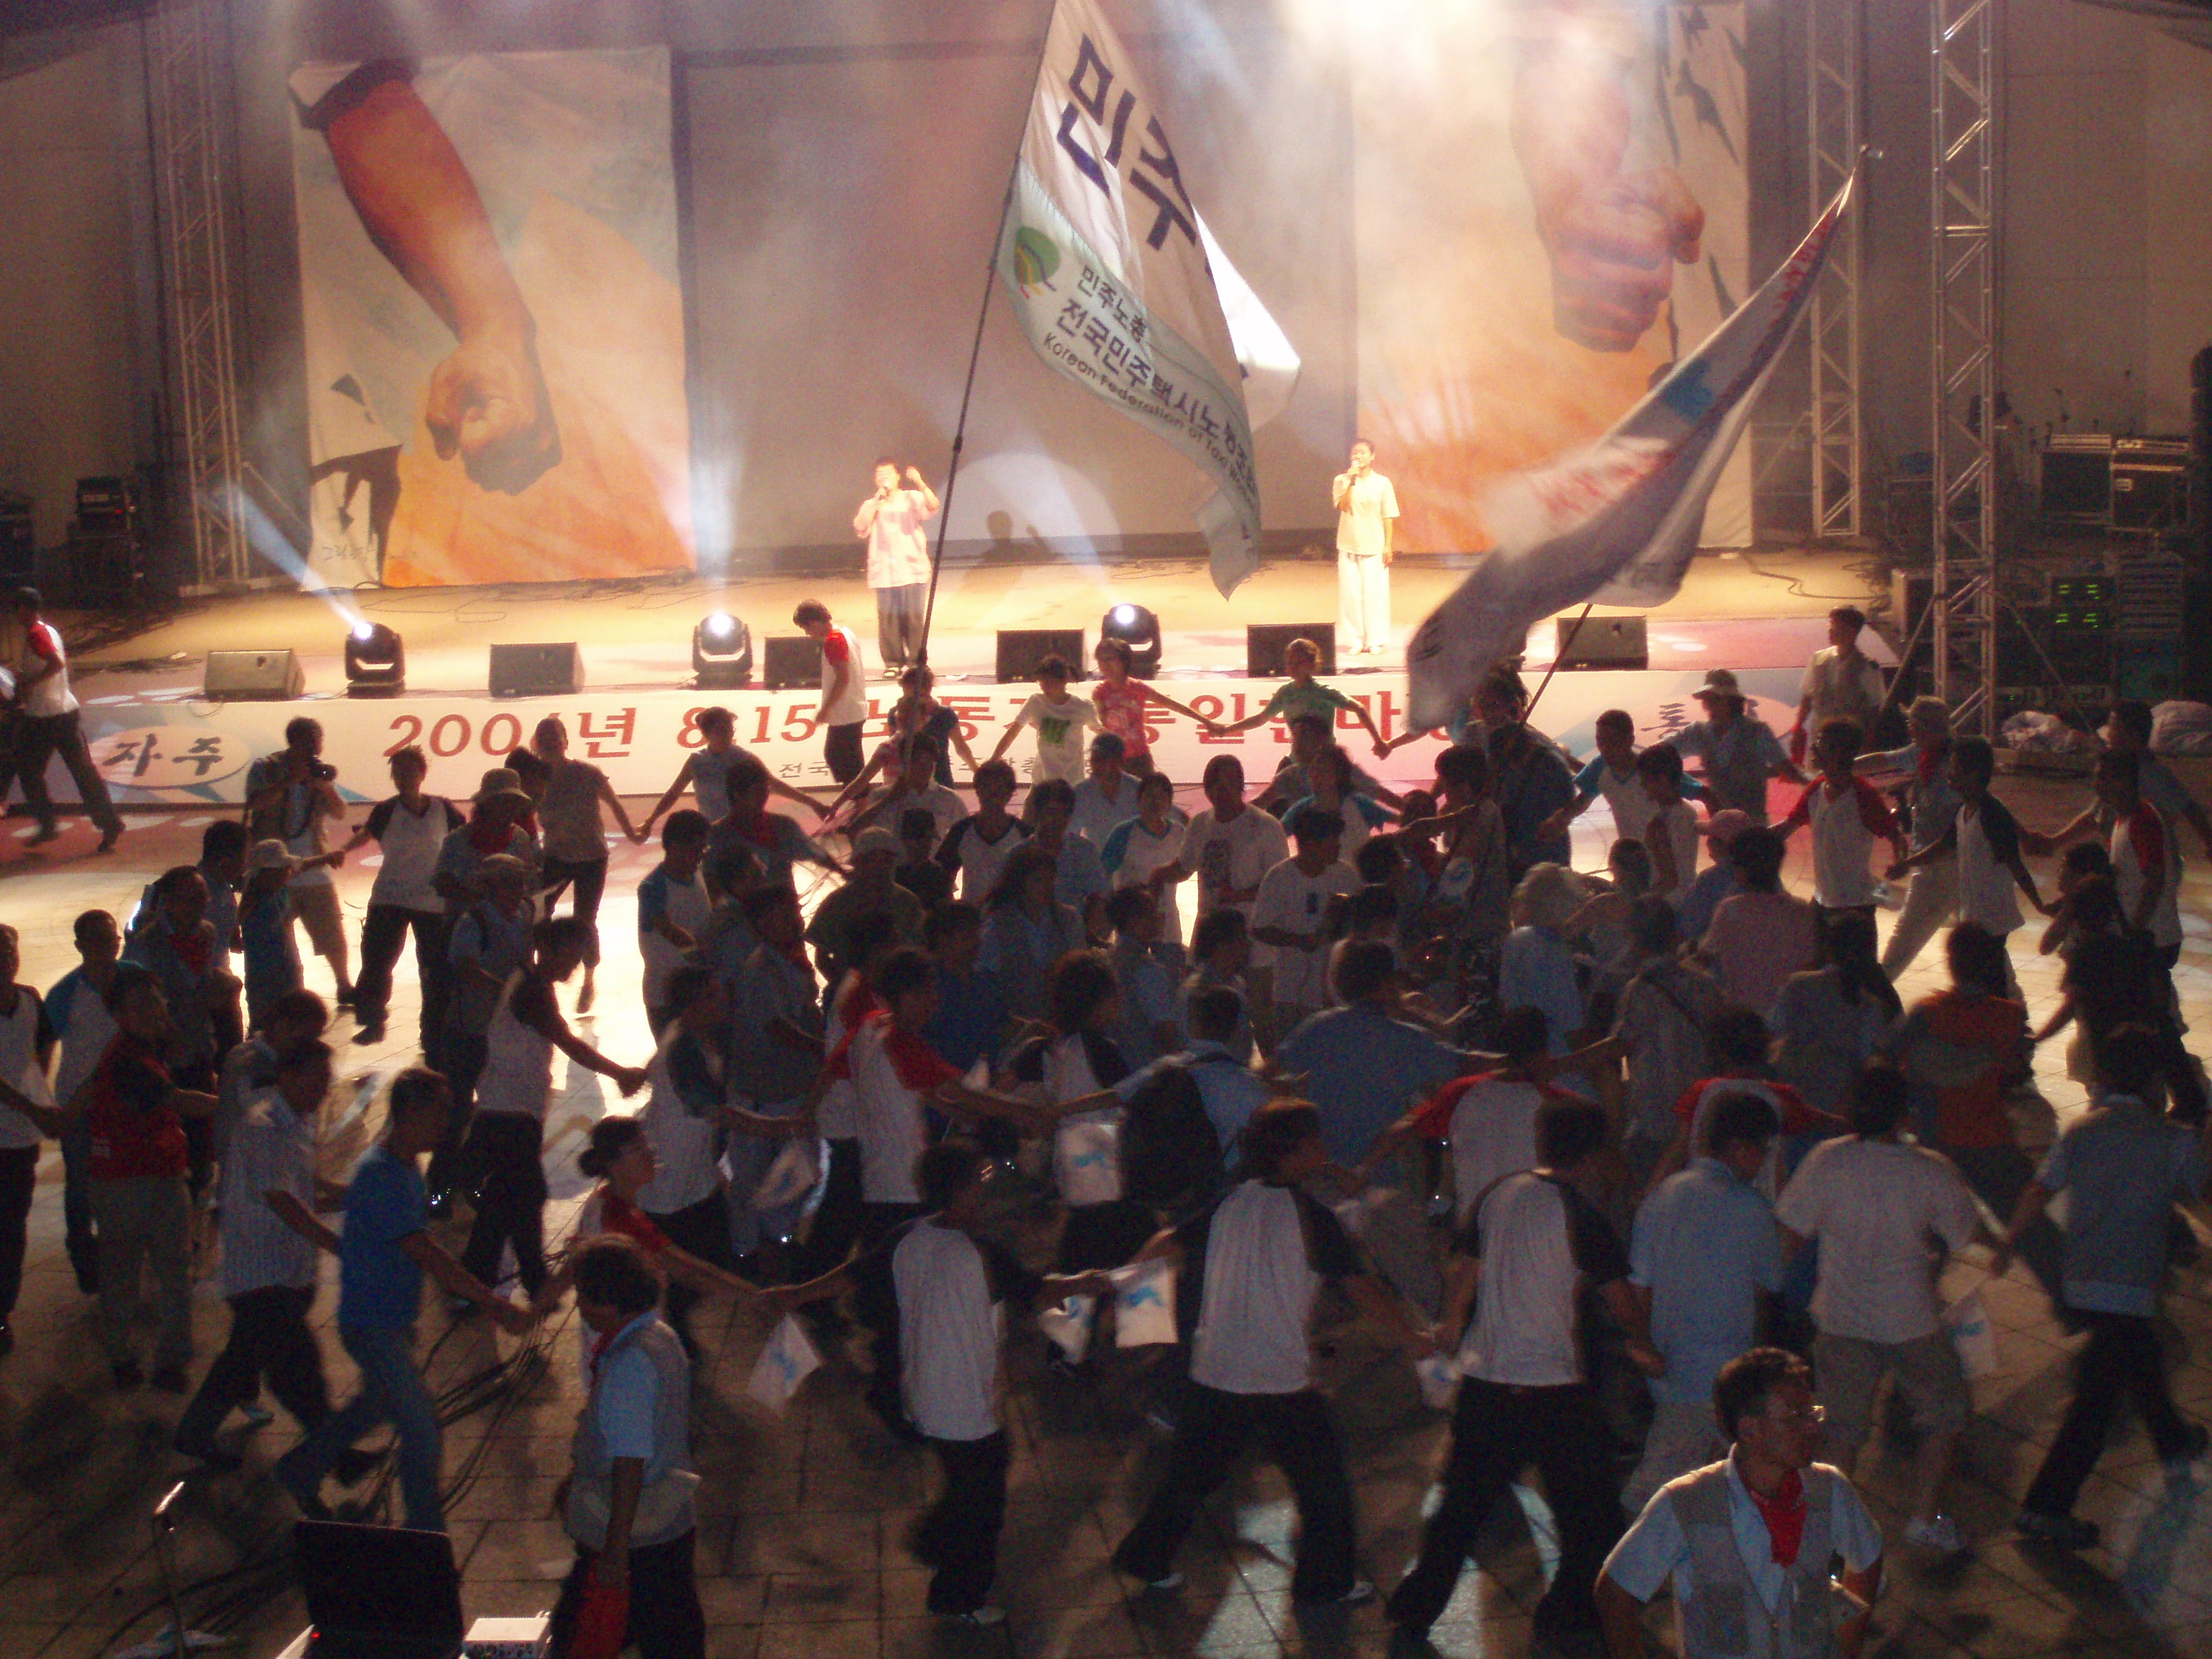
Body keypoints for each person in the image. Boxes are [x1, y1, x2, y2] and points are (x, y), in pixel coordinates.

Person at [1115, 1101, 1433, 1605]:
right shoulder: (1311, 1218)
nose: (1322, 1149)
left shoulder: (1229, 1201)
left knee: (1194, 1472)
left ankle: (1145, 1555)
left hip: (1217, 1367)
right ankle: (1326, 1581)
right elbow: (1361, 1288)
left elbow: (1168, 1240)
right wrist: (1412, 1337)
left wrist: (1119, 1280)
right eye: (1315, 1141)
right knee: (1323, 1486)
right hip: (1278, 1375)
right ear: (1296, 1150)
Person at [1386, 1099, 1660, 1644]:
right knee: (1590, 1515)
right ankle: (1567, 1616)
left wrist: (1450, 1324)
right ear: (1594, 1155)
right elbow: (1621, 1300)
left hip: (1487, 1382)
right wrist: (1643, 1344)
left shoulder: (1499, 1195)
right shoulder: (1581, 1215)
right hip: (1554, 1390)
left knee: (1462, 1507)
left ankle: (1415, 1610)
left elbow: (1464, 1270)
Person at [844, 1141, 1110, 1623]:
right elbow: (1035, 1292)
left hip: (922, 1388)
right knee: (983, 1503)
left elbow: (853, 1275)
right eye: (980, 1180)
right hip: (964, 1399)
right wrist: (1086, 1282)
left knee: (971, 1480)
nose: (986, 1189)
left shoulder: (906, 1236)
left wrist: (793, 1294)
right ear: (962, 1190)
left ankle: (936, 1543)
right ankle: (957, 1596)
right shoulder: (979, 1253)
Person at [279, 1069, 534, 1532]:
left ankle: (299, 1469)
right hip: (372, 1325)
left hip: (387, 1320)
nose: (448, 1122)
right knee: (421, 1428)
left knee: (374, 1406)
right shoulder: (385, 1174)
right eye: (440, 1112)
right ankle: (424, 1531)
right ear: (411, 1112)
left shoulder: (398, 1166)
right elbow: (428, 1254)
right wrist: (492, 1303)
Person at [1997, 1026, 2210, 1548]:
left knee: (2139, 1361)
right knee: (2097, 1401)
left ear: (2104, 1075)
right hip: (2131, 1283)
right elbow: (2199, 1191)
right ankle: (2045, 1508)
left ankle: (2176, 1444)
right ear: (2155, 1082)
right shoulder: (2172, 1140)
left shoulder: (2081, 1132)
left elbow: (2038, 1190)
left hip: (2083, 1280)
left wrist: (2008, 1243)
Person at [1775, 1062, 1982, 1553]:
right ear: (1904, 1114)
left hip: (1841, 1316)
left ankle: (1829, 1533)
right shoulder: (1930, 1168)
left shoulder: (1827, 1160)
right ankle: (1924, 1518)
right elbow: (1963, 1234)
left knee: (1841, 1431)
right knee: (1944, 1417)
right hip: (1910, 1319)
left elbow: (1787, 1235)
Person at [1598, 1348, 1885, 1659]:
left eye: (1812, 1412)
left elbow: (1868, 1559)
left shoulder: (1829, 1489)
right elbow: (1615, 1593)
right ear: (1749, 1430)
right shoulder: (1686, 1503)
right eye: (1795, 1416)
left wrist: (1847, 1646)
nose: (1813, 1427)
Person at [172, 1041, 361, 1469]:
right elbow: (282, 1200)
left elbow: (303, 1184)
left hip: (285, 1271)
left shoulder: (298, 1122)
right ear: (288, 1077)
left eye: (326, 1081)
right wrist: (338, 1245)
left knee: (245, 1361)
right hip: (260, 1274)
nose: (324, 1090)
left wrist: (350, 1196)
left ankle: (193, 1433)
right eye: (316, 1080)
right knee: (300, 1366)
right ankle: (335, 1455)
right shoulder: (262, 1128)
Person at [459, 917, 649, 1302]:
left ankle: (498, 1281)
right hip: (510, 1111)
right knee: (522, 1195)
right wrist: (619, 1073)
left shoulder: (530, 982)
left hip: (509, 1107)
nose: (573, 968)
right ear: (548, 950)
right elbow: (569, 1043)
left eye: (578, 960)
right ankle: (520, 1281)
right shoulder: (532, 990)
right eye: (570, 958)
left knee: (511, 1198)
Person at [1622, 1092, 1785, 1512]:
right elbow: (1767, 1288)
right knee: (1666, 1484)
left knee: (1690, 1470)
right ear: (1741, 1149)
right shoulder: (1752, 1208)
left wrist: (1643, 1344)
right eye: (1762, 1152)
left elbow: (1638, 1285)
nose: (1762, 1163)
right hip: (1725, 1367)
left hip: (1671, 1366)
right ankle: (1635, 1542)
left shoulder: (1662, 1196)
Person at [549, 1234, 707, 1659]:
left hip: (635, 1531)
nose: (579, 1306)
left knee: (577, 1635)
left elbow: (629, 1461)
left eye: (584, 1296)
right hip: (668, 1522)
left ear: (609, 1302)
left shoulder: (629, 1364)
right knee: (673, 1633)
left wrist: (616, 1552)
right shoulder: (661, 1336)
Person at [1888, 922, 2062, 1302]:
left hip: (1934, 1136)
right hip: (1988, 1135)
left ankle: (1910, 1301)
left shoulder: (1927, 1014)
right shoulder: (2009, 1017)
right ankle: (2076, 1305)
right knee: (2032, 1229)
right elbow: (2016, 1072)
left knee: (1927, 1232)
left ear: (1952, 963)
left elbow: (1892, 1060)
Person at [78, 966, 219, 1390]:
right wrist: (230, 1103)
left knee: (169, 1271)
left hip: (158, 1174)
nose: (153, 1011)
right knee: (134, 1273)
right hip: (126, 1181)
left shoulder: (140, 1050)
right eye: (140, 1005)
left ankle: (159, 1358)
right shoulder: (126, 1059)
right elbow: (177, 1101)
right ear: (117, 1014)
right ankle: (131, 1356)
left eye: (155, 1002)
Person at [1886, 737, 2045, 994]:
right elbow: (1944, 845)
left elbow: (2015, 864)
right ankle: (2010, 1011)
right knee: (1991, 977)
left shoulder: (1991, 814)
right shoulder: (1964, 811)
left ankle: (2010, 1013)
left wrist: (2038, 904)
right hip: (1976, 913)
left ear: (1973, 774)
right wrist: (1908, 864)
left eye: (1956, 767)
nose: (1950, 773)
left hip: (1991, 916)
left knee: (1992, 979)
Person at [342, 746, 462, 1050]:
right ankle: (373, 1021)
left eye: (409, 771)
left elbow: (465, 835)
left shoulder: (443, 809)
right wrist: (341, 852)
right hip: (389, 896)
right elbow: (366, 834)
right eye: (398, 773)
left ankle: (432, 1031)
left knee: (434, 969)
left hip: (431, 898)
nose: (403, 777)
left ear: (422, 774)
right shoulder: (385, 811)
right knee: (376, 962)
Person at [433, 852, 535, 1206]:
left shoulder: (522, 918)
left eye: (520, 883)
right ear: (489, 888)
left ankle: (474, 1179)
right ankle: (441, 1189)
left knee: (493, 1110)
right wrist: (507, 991)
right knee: (458, 1109)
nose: (518, 891)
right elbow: (466, 967)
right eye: (510, 884)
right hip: (469, 1029)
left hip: (501, 1031)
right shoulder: (472, 922)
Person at [531, 714, 646, 1014]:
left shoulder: (587, 773)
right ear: (538, 745)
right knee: (539, 912)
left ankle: (589, 978)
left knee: (585, 919)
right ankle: (544, 971)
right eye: (545, 740)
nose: (551, 745)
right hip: (556, 856)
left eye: (556, 738)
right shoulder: (534, 778)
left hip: (591, 857)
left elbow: (614, 803)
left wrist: (632, 833)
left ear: (566, 742)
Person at [1612, 899, 1727, 1184]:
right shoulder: (1705, 985)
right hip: (1699, 1116)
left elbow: (1622, 1046)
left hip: (1654, 1120)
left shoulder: (1639, 990)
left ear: (1633, 939)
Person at [244, 716, 352, 1004]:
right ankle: (290, 988)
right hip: (274, 868)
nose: (317, 749)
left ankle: (344, 984)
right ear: (297, 742)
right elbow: (255, 803)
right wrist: (288, 782)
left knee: (331, 929)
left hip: (315, 863)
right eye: (312, 742)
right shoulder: (266, 768)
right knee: (277, 935)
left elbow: (340, 812)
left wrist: (325, 787)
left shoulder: (318, 772)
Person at [10, 588, 124, 850]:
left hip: (44, 717)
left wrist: (28, 683)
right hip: (65, 713)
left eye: (17, 609)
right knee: (84, 774)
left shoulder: (36, 634)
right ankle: (109, 823)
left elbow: (56, 663)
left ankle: (47, 824)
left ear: (24, 609)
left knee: (29, 772)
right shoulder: (50, 631)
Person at [1856, 696, 1961, 979]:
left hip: (1941, 864)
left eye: (1913, 723)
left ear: (1926, 727)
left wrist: (1910, 862)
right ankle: (2012, 999)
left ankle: (1876, 994)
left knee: (1904, 941)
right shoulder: (1923, 753)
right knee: (1983, 940)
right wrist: (1847, 766)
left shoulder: (1952, 765)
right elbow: (1883, 761)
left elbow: (1951, 835)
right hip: (1946, 862)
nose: (1909, 729)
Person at [48, 908, 122, 1292]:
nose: (108, 947)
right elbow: (43, 1047)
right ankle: (84, 1256)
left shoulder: (135, 980)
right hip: (80, 1104)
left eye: (112, 939)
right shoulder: (65, 994)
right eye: (98, 941)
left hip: (124, 1102)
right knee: (81, 1185)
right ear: (80, 946)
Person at [1115, 984, 1270, 1156]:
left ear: (1192, 1025)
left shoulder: (1165, 1069)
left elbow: (1115, 1097)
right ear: (1236, 1029)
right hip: (1221, 1170)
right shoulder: (1248, 1086)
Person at [1772, 911, 1901, 1115]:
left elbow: (1775, 1029)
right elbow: (1870, 1056)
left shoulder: (1797, 984)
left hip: (1791, 1097)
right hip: (1837, 1103)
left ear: (1828, 947)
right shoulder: (1871, 1001)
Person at [1779, 719, 1905, 922]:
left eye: (1820, 742)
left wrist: (1900, 863)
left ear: (1837, 752)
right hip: (1822, 899)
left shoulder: (1863, 796)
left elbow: (1896, 837)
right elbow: (1786, 828)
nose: (1813, 747)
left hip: (1856, 906)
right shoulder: (1816, 789)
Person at [1249, 806, 1357, 1044]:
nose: (1338, 847)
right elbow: (1260, 928)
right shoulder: (1279, 877)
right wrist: (1299, 941)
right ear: (1310, 845)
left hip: (1334, 990)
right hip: (1288, 989)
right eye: (1332, 842)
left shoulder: (1347, 876)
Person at [640, 705, 822, 835]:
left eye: (729, 729)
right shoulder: (696, 761)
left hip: (744, 831)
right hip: (712, 831)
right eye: (721, 730)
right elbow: (673, 793)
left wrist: (814, 804)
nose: (728, 734)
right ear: (706, 734)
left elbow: (773, 784)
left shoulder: (744, 758)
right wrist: (651, 820)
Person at [1699, 827, 1817, 1019]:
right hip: (1788, 1017)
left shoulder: (1730, 910)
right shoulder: (1800, 911)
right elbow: (1810, 963)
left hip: (1743, 1017)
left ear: (1740, 870)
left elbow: (1705, 958)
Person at [0, 924, 52, 1355]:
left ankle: (3, 1312)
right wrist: (32, 1107)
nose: (7, 961)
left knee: (12, 1226)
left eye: (10, 953)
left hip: (19, 1139)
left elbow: (41, 1045)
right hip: (18, 1126)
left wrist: (38, 1093)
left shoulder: (30, 1000)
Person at [1205, 637, 1388, 755]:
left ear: (1311, 665)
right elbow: (1261, 718)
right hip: (1297, 758)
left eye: (1298, 662)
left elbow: (1360, 708)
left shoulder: (1324, 692)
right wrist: (1227, 729)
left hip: (1326, 759)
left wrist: (1378, 741)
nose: (1292, 666)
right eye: (1289, 662)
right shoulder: (1285, 693)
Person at [1668, 669, 1802, 824]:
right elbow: (1659, 754)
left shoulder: (1757, 732)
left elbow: (1787, 770)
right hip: (1720, 825)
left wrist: (1815, 781)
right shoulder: (1698, 732)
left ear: (1731, 701)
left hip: (1753, 824)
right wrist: (1694, 789)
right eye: (1707, 699)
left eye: (1715, 699)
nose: (1708, 705)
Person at [2092, 697, 2212, 857]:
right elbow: (2095, 816)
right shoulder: (2120, 769)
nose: (2109, 735)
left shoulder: (2151, 775)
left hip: (2148, 862)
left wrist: (2209, 843)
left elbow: (2190, 809)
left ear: (2133, 736)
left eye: (2114, 729)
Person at [978, 844, 1084, 1025]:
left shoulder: (1069, 919)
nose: (1047, 887)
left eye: (1051, 879)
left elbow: (1080, 972)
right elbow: (987, 980)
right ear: (1020, 883)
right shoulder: (999, 924)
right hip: (1017, 1023)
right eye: (1038, 880)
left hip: (1063, 1022)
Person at [806, 827, 925, 988]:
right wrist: (846, 988)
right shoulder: (837, 902)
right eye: (872, 860)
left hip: (898, 989)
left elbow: (921, 949)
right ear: (858, 863)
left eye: (886, 860)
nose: (879, 867)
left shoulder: (907, 902)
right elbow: (822, 958)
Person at [854, 457, 939, 672]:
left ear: (898, 476)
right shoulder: (872, 504)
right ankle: (893, 662)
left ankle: (916, 663)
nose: (884, 478)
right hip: (884, 570)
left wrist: (920, 482)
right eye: (880, 475)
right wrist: (877, 501)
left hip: (911, 568)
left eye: (888, 474)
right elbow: (861, 526)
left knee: (913, 618)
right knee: (888, 619)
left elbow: (933, 506)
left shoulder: (911, 497)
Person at [638, 810, 714, 1037]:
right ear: (674, 847)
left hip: (698, 990)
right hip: (665, 995)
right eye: (695, 850)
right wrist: (704, 961)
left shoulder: (698, 876)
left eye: (703, 850)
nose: (700, 856)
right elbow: (671, 932)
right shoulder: (652, 888)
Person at [1089, 636, 1211, 775]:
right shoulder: (1100, 693)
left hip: (1139, 759)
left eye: (1110, 659)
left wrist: (1207, 721)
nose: (1104, 664)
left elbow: (1173, 705)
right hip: (1114, 760)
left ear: (1124, 660)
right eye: (1101, 660)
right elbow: (1099, 726)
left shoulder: (1137, 688)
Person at [1501, 863, 1587, 1055]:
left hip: (1521, 1052)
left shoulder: (1515, 941)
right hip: (1557, 1058)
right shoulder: (1554, 953)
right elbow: (1571, 1026)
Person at [1101, 770, 1190, 946]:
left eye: (1161, 797)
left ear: (1169, 803)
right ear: (1139, 800)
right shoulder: (1123, 833)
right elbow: (1103, 874)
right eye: (1149, 795)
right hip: (1131, 922)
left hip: (1168, 924)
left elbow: (1188, 866)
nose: (1155, 802)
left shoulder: (1178, 832)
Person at [433, 768, 541, 910]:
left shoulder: (520, 838)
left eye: (514, 802)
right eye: (503, 802)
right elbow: (441, 884)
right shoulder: (458, 840)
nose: (510, 808)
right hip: (468, 919)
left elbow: (531, 883)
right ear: (486, 803)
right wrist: (475, 894)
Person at [922, 902, 1008, 1077]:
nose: (976, 943)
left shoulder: (985, 979)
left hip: (986, 1079)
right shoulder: (924, 984)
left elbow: (1002, 1025)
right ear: (943, 940)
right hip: (943, 1082)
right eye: (967, 937)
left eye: (976, 936)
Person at [986, 655, 1098, 786]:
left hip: (1072, 781)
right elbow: (1012, 732)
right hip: (1042, 780)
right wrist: (993, 760)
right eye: (1042, 683)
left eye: (1050, 683)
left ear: (1063, 681)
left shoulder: (1082, 707)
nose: (1045, 687)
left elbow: (1099, 730)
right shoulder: (1035, 702)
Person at [793, 597, 871, 783]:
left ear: (813, 623)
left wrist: (826, 708)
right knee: (847, 758)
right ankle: (855, 793)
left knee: (839, 757)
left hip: (845, 711)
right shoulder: (846, 633)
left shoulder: (833, 642)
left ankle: (858, 795)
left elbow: (843, 678)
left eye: (806, 629)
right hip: (854, 707)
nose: (807, 634)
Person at [1332, 438, 1399, 655]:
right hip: (1348, 544)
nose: (1358, 456)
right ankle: (1355, 640)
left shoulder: (1382, 483)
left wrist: (1388, 545)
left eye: (1362, 452)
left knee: (1375, 595)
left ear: (1372, 456)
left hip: (1374, 545)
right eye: (1354, 452)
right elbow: (1343, 506)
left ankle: (1375, 640)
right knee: (1351, 595)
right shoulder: (1342, 480)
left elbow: (1388, 515)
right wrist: (1351, 482)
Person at [1794, 605, 1887, 757]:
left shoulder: (1868, 667)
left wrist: (1867, 744)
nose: (1830, 630)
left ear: (1851, 631)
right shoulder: (1819, 660)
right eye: (1830, 624)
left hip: (1848, 740)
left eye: (1835, 626)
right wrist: (1798, 725)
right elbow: (1808, 696)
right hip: (1820, 735)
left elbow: (1874, 708)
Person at [1491, 721, 1579, 878]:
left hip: (1548, 848)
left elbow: (1566, 805)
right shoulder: (1506, 766)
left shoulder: (1552, 766)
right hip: (1518, 847)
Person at [1104, 888, 1179, 1069]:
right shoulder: (1147, 968)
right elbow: (1164, 1027)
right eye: (1151, 913)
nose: (1159, 918)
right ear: (1134, 921)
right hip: (1147, 1065)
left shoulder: (1107, 959)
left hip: (1114, 1063)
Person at [936, 759, 1029, 904]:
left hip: (1011, 916)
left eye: (999, 788)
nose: (993, 793)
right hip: (970, 915)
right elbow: (943, 880)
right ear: (978, 790)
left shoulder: (1024, 833)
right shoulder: (960, 831)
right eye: (987, 787)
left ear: (1011, 793)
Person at [1179, 907, 1254, 1064]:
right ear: (1222, 946)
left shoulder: (1237, 984)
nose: (1248, 945)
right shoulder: (1197, 993)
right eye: (1242, 939)